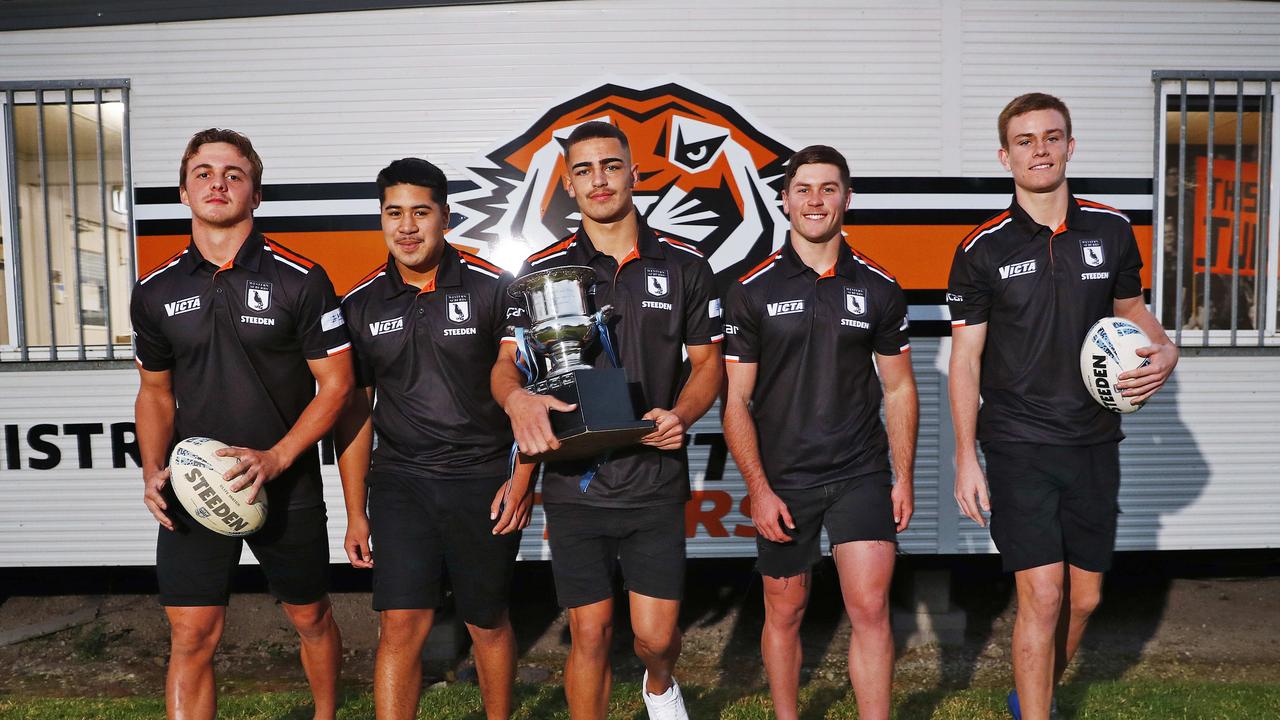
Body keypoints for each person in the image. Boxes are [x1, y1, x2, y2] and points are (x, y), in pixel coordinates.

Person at [948, 93, 1178, 720]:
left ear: (1070, 147)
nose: (1040, 149)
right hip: (1018, 441)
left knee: (1084, 600)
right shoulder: (980, 250)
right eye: (1025, 141)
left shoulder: (1110, 230)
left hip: (1094, 440)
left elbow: (1133, 316)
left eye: (1051, 137)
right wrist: (965, 457)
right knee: (1043, 596)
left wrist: (1169, 351)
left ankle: (1030, 699)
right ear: (1006, 156)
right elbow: (965, 360)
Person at [491, 121, 724, 720]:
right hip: (576, 482)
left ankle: (657, 683)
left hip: (654, 476)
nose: (600, 180)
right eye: (585, 170)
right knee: (589, 634)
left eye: (612, 166)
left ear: (634, 174)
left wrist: (681, 413)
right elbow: (505, 368)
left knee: (654, 639)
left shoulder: (684, 266)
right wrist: (517, 401)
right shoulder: (539, 272)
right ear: (568, 183)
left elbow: (707, 366)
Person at [131, 128, 352, 720]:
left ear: (255, 194)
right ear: (183, 192)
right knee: (191, 634)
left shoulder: (300, 278)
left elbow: (337, 386)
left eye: (234, 174)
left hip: (284, 483)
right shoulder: (154, 291)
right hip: (195, 485)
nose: (218, 183)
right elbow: (153, 393)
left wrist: (277, 458)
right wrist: (153, 469)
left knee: (310, 617)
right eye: (203, 173)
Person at [722, 145, 917, 720]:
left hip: (859, 470)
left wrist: (902, 477)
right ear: (784, 201)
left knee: (870, 607)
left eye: (828, 188)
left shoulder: (879, 285)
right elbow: (734, 400)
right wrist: (759, 489)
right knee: (785, 612)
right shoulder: (750, 289)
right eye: (803, 189)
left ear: (847, 199)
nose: (815, 200)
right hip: (784, 479)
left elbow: (900, 389)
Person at [334, 158, 534, 720]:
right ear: (380, 219)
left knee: (486, 622)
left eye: (421, 211)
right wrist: (355, 512)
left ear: (446, 216)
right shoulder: (359, 304)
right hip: (402, 484)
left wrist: (521, 483)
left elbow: (529, 395)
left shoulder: (495, 288)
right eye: (393, 213)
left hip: (483, 480)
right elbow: (355, 415)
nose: (407, 226)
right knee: (401, 625)